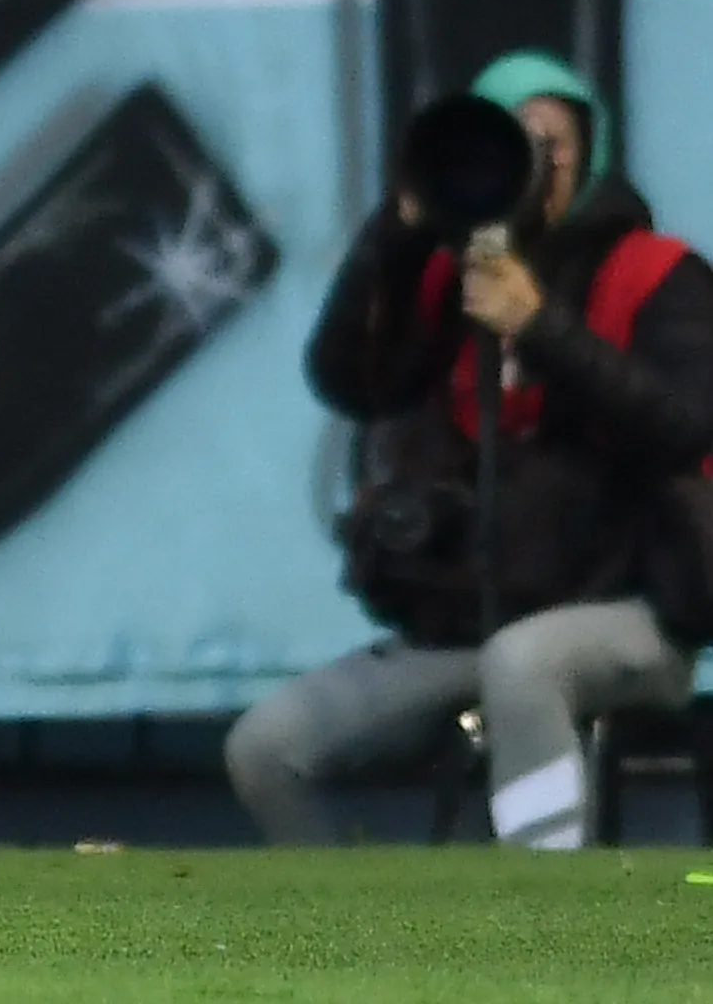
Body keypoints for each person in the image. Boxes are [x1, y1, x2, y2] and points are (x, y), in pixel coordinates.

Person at [226, 54, 713, 849]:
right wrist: (398, 232)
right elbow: (351, 382)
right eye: (512, 144)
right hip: (470, 622)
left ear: (589, 153)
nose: (538, 166)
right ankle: (369, 953)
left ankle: (543, 932)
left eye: (554, 144)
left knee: (524, 664)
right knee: (266, 748)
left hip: (631, 615)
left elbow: (688, 423)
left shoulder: (657, 273)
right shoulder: (449, 282)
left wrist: (540, 327)